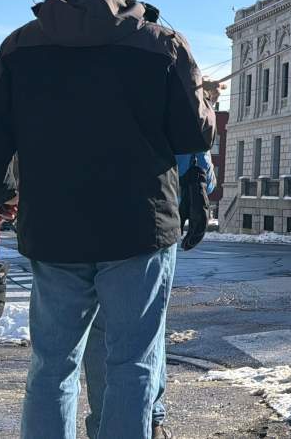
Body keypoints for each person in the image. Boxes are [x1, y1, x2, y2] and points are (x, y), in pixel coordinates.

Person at [0, 0, 215, 439]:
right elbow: (196, 133)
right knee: (132, 364)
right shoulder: (163, 44)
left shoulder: (21, 45)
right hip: (140, 231)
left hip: (54, 231)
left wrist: (3, 193)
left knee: (51, 364)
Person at [82, 151, 216, 439]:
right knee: (143, 333)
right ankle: (147, 421)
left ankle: (108, 423)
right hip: (151, 216)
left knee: (95, 335)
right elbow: (196, 155)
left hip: (84, 210)